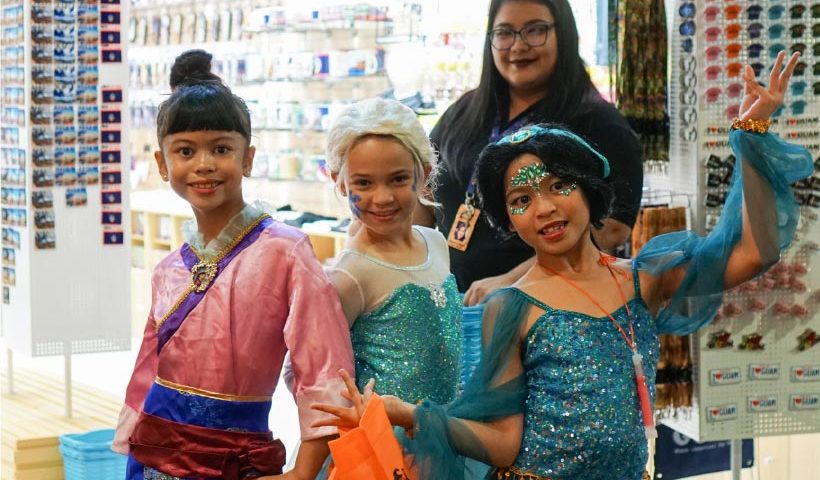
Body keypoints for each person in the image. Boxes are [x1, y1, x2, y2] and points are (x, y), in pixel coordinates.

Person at [313, 52, 811, 479]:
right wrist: (409, 414)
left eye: (558, 186)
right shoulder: (510, 307)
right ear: (510, 219)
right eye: (522, 199)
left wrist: (751, 137)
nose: (545, 208)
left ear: (588, 190)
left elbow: (755, 252)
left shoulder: (642, 280)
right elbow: (503, 442)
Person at [112, 49, 354, 480]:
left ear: (248, 158)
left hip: (234, 461)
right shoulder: (168, 269)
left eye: (221, 148)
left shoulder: (286, 252)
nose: (204, 164)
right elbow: (148, 370)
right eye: (185, 151)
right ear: (162, 164)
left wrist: (303, 472)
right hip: (152, 457)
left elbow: (323, 370)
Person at [421, 0, 644, 305]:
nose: (518, 46)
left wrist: (513, 283)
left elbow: (611, 228)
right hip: (456, 307)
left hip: (548, 312)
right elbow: (422, 192)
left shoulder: (598, 122)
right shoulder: (464, 112)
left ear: (563, 34)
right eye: (505, 33)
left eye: (535, 30)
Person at [319, 97, 464, 476]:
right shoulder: (350, 276)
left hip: (443, 432)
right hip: (384, 450)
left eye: (398, 179)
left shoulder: (436, 242)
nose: (382, 197)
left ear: (424, 173)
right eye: (363, 183)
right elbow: (312, 371)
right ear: (339, 183)